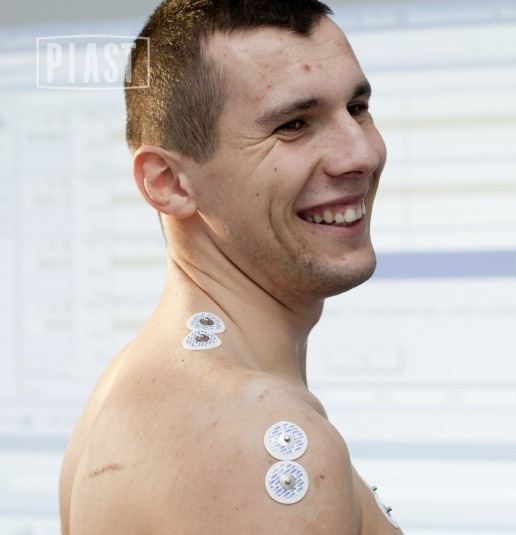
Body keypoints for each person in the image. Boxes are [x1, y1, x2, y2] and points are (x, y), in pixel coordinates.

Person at [58, 1, 398, 532]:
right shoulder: (258, 431)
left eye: (357, 108)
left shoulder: (130, 380)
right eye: (293, 125)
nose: (361, 155)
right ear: (168, 182)